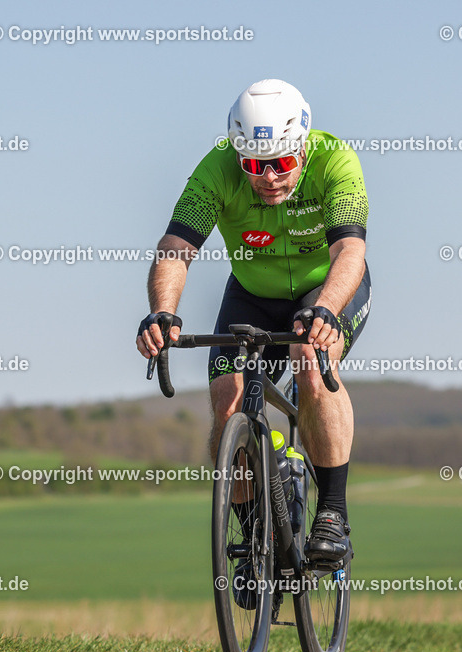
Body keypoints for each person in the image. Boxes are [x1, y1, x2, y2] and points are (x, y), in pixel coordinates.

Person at [136, 79, 371, 605]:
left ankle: (331, 511)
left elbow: (350, 253)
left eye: (282, 165)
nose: (267, 178)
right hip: (252, 293)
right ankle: (253, 534)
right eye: (253, 165)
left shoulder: (337, 162)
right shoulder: (217, 167)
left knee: (311, 361)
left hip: (325, 286)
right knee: (227, 403)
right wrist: (163, 311)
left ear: (303, 146)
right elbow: (176, 246)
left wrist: (326, 309)